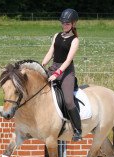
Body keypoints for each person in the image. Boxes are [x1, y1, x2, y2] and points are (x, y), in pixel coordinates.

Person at [42, 8, 82, 141]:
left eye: (67, 23)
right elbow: (50, 52)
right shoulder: (56, 35)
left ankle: (78, 129)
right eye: (63, 23)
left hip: (67, 72)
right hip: (54, 67)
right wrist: (42, 65)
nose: (64, 25)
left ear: (73, 24)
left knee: (69, 100)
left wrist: (57, 74)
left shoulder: (75, 40)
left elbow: (68, 60)